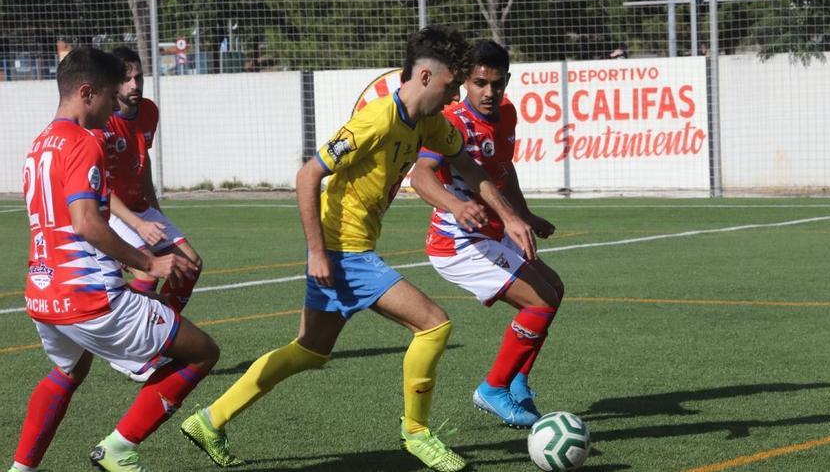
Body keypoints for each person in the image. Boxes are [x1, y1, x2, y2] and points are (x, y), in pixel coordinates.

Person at [179, 25, 535, 472]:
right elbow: (309, 175)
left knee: (309, 350)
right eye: (450, 85)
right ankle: (417, 434)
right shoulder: (376, 120)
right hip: (343, 251)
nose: (454, 95)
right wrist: (315, 251)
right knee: (434, 325)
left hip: (351, 249)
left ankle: (209, 420)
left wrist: (510, 215)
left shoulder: (429, 122)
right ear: (426, 77)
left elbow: (468, 164)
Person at [9, 46, 218, 472]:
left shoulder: (39, 144)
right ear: (87, 93)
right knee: (202, 352)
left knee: (67, 374)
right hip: (92, 298)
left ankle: (21, 469)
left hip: (43, 295)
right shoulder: (84, 142)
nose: (114, 105)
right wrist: (147, 262)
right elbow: (86, 222)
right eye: (109, 95)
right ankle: (119, 448)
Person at [411, 40, 564, 428]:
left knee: (554, 290)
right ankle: (492, 389)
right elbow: (422, 176)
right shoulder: (452, 122)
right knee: (540, 301)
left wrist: (521, 213)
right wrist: (457, 206)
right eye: (480, 83)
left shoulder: (505, 113)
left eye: (497, 84)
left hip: (492, 232)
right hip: (457, 242)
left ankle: (516, 381)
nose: (489, 93)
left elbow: (503, 168)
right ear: (465, 82)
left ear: (507, 81)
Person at [103, 46, 203, 315]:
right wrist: (138, 224)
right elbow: (100, 186)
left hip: (141, 208)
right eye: (127, 79)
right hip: (112, 213)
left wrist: (155, 210)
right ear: (113, 82)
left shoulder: (149, 111)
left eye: (139, 77)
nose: (134, 84)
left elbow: (141, 161)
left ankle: (164, 330)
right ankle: (129, 337)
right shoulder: (104, 123)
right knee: (148, 274)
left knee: (189, 265)